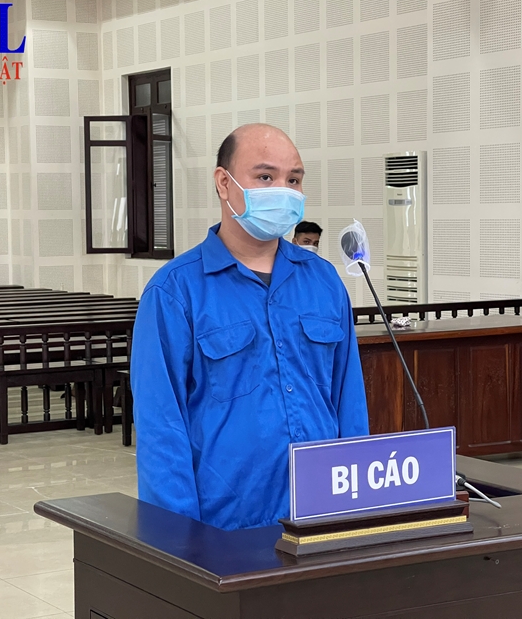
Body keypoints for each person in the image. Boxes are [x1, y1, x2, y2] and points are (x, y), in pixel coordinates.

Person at [130, 123, 369, 531]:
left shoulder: (324, 282)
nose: (284, 191)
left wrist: (358, 501)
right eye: (265, 177)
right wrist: (178, 538)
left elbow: (349, 403)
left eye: (294, 180)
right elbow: (161, 428)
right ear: (224, 183)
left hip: (321, 511)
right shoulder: (175, 291)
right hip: (225, 525)